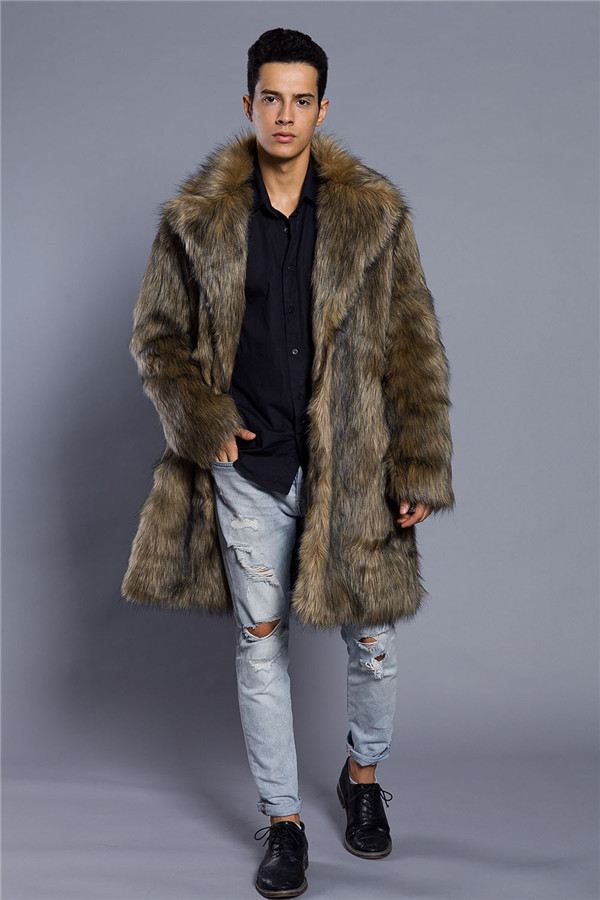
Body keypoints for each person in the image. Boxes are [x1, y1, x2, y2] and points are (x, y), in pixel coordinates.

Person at [122, 27, 454, 899]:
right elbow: (156, 339)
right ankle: (284, 823)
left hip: (356, 469)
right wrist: (200, 419)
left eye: (301, 100)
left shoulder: (375, 215)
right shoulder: (197, 219)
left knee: (373, 642)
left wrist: (418, 461)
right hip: (250, 470)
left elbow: (414, 345)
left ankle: (363, 779)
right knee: (259, 642)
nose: (284, 114)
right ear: (248, 104)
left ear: (321, 109)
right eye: (271, 97)